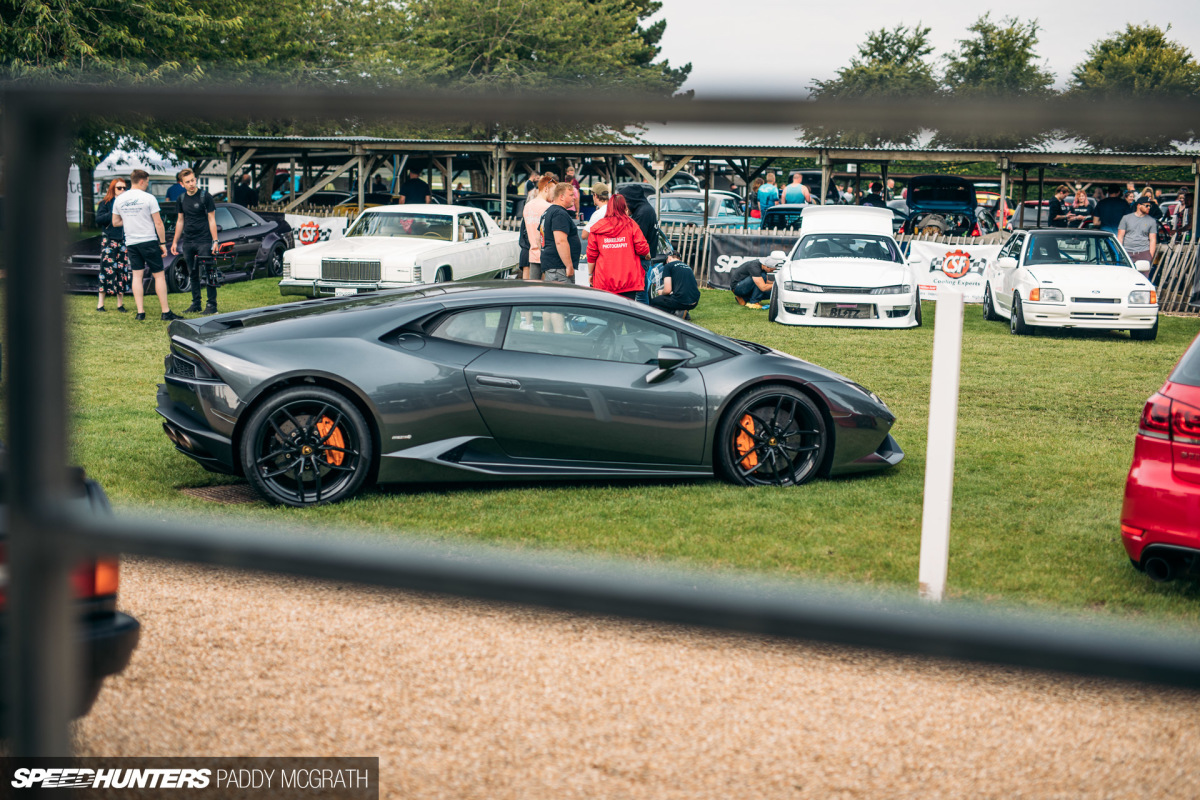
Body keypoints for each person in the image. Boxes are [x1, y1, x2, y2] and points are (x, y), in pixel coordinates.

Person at [112, 169, 183, 321]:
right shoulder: (148, 198)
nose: (147, 185)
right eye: (147, 182)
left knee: (137, 276)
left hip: (131, 242)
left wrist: (131, 220)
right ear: (142, 181)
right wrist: (163, 243)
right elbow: (158, 222)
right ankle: (165, 312)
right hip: (149, 241)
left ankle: (140, 312)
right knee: (159, 276)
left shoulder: (119, 199)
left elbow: (115, 222)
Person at [171, 168, 220, 314]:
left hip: (204, 240)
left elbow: (212, 219)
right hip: (188, 241)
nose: (191, 184)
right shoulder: (181, 199)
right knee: (192, 273)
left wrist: (215, 241)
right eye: (188, 182)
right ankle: (196, 304)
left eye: (193, 180)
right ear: (182, 184)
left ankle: (212, 305)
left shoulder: (206, 197)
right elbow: (180, 221)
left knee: (209, 271)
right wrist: (175, 242)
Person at [586, 194, 649, 299]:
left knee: (604, 313)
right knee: (626, 312)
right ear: (624, 207)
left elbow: (591, 255)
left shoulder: (598, 227)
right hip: (628, 281)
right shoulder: (631, 225)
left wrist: (590, 274)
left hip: (604, 281)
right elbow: (643, 249)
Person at [94, 179, 131, 312]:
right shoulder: (106, 203)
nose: (122, 190)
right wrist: (113, 213)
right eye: (119, 188)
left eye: (124, 188)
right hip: (109, 239)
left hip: (123, 239)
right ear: (113, 189)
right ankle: (100, 304)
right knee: (106, 269)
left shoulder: (128, 203)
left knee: (122, 270)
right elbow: (98, 219)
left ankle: (120, 304)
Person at [536, 183, 581, 284]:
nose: (574, 198)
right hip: (560, 269)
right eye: (571, 195)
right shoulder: (559, 214)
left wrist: (547, 254)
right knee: (565, 298)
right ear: (561, 197)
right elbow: (560, 241)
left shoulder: (547, 212)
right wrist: (569, 265)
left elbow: (538, 239)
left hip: (552, 267)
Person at [522, 173, 557, 279]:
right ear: (546, 189)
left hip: (533, 254)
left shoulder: (527, 206)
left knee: (534, 289)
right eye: (553, 191)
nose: (554, 195)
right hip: (548, 255)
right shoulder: (549, 207)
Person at [647, 254, 700, 319]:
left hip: (681, 300)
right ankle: (684, 312)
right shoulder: (687, 267)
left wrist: (661, 292)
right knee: (670, 299)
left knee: (653, 302)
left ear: (669, 258)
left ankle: (676, 313)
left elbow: (667, 290)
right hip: (694, 301)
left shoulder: (668, 266)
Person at [618, 183, 659, 260]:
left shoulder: (643, 213)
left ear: (631, 200)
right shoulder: (644, 209)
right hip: (643, 257)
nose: (623, 207)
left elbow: (635, 238)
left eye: (624, 203)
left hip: (641, 259)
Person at [1118, 196, 1158, 275]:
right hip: (1127, 252)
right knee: (1126, 276)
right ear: (1139, 205)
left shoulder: (1152, 221)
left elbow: (1153, 239)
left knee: (1143, 278)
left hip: (1143, 252)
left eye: (1150, 206)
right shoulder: (1126, 218)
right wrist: (1120, 252)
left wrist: (1150, 256)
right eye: (1147, 205)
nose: (1149, 207)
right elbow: (1120, 236)